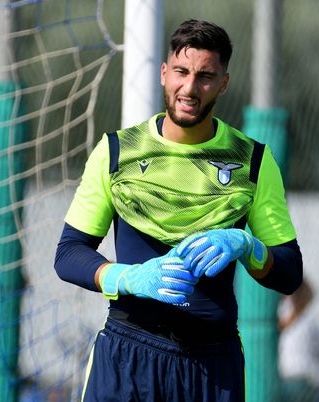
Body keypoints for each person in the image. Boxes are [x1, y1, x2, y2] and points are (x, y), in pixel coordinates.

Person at [54, 19, 303, 402]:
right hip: (127, 356)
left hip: (212, 366)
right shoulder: (116, 151)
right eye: (182, 72)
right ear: (163, 73)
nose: (190, 88)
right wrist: (129, 278)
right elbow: (69, 254)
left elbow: (289, 273)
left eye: (205, 76)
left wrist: (246, 245)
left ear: (223, 83)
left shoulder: (252, 161)